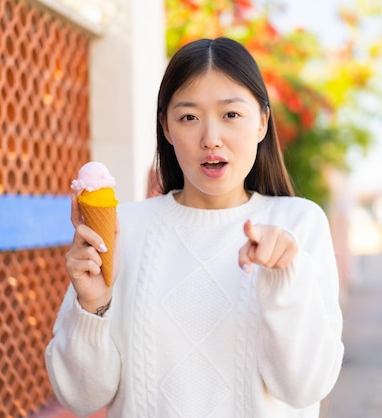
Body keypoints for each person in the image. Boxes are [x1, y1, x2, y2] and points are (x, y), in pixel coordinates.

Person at [45, 37, 344, 418]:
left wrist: (285, 280)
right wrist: (92, 306)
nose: (211, 138)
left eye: (231, 115)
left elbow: (304, 389)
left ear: (262, 123)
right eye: (189, 117)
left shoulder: (299, 225)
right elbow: (81, 398)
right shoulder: (124, 231)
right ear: (166, 129)